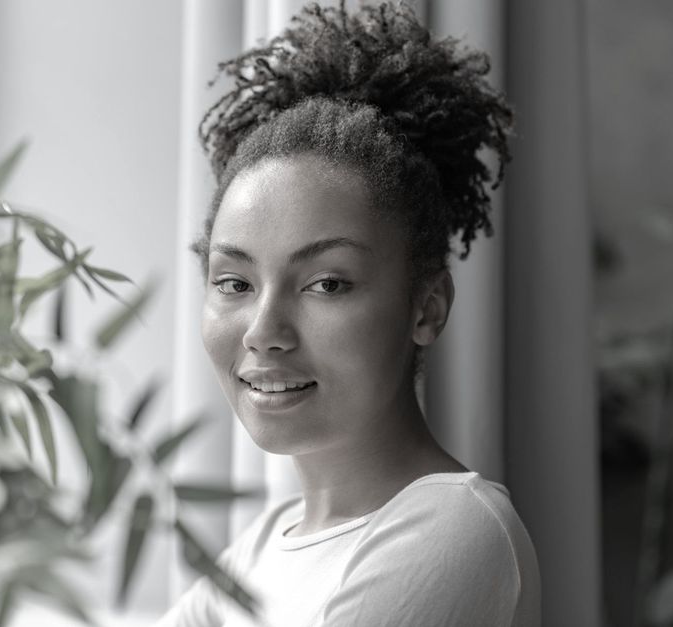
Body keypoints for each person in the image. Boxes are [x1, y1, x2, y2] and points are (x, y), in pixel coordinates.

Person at [157, 2, 539, 625]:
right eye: (233, 281)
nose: (263, 332)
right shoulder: (264, 545)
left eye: (327, 284)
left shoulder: (455, 528)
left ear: (427, 308)